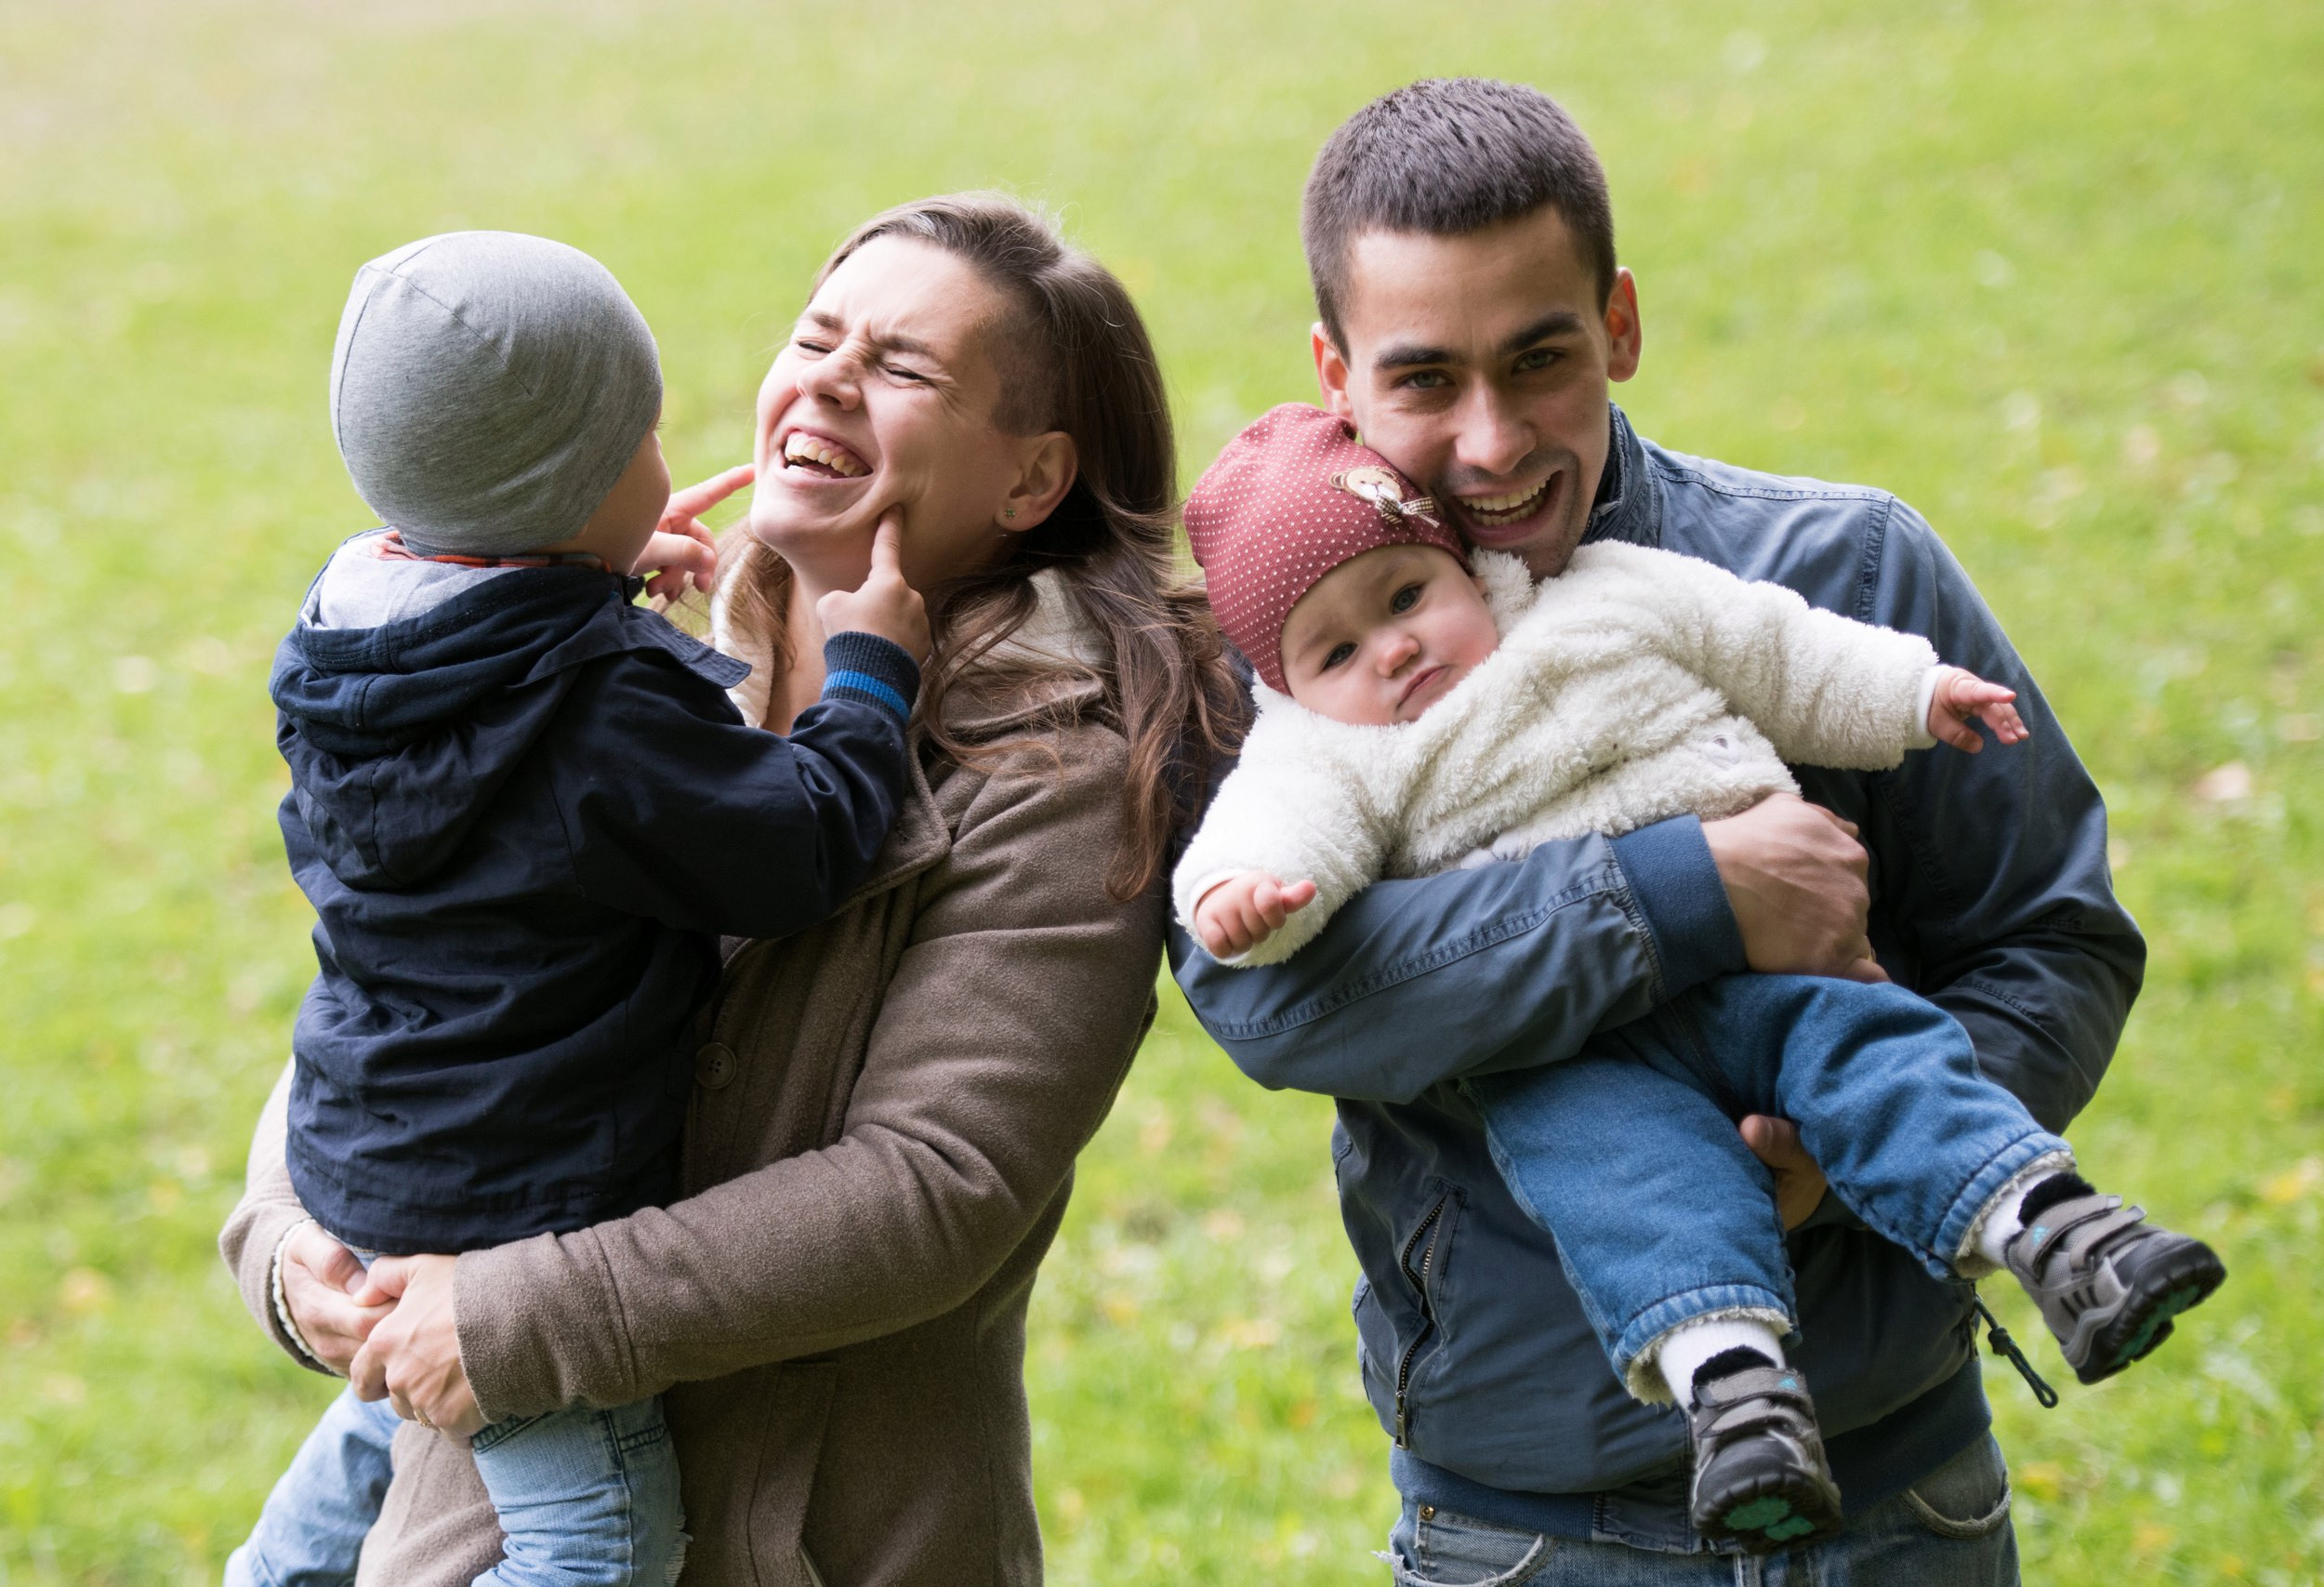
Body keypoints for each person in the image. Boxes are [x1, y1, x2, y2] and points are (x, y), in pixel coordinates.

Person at [1168, 80, 2148, 1581]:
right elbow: (1271, 999)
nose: (1492, 441)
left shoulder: (1840, 569)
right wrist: (1684, 892)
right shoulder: (1303, 664)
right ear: (1336, 375)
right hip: (1526, 1525)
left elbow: (2052, 937)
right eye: (1425, 380)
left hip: (1899, 1494)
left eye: (1541, 358)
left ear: (1618, 325)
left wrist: (1855, 1152)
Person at [221, 193, 1239, 1587]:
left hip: (815, 1541)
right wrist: (289, 1252)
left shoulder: (1057, 771)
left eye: (902, 365)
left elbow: (933, 1189)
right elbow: (405, 986)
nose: (830, 377)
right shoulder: (606, 660)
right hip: (468, 1514)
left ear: (1030, 480)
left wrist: (512, 1317)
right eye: (815, 338)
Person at [228, 230, 931, 1587]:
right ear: (576, 484)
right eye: (642, 439)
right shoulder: (595, 715)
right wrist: (869, 680)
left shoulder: (347, 639)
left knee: (391, 1423)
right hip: (514, 1205)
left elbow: (495, 699)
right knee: (594, 1542)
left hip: (377, 1155)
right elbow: (798, 846)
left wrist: (582, 576)